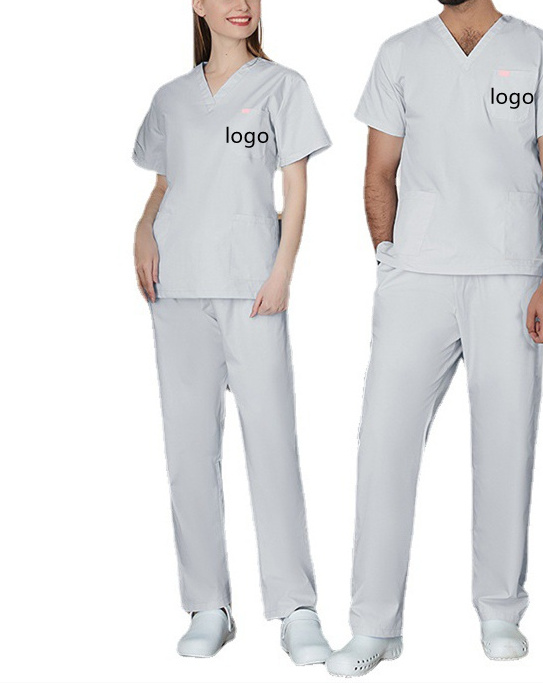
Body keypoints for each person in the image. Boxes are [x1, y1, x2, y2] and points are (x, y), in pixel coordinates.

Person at [326, 0, 543, 676]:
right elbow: (377, 171)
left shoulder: (542, 52)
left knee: (505, 443)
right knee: (383, 445)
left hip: (511, 273)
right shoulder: (399, 52)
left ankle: (499, 611)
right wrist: (387, 256)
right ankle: (373, 626)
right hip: (417, 275)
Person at [132, 0, 332, 665]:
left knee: (271, 441)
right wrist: (141, 230)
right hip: (176, 286)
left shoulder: (282, 87)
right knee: (189, 451)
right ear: (198, 4)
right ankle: (207, 606)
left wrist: (282, 271)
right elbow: (164, 184)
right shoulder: (171, 98)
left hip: (253, 287)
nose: (240, 5)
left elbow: (296, 191)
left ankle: (296, 606)